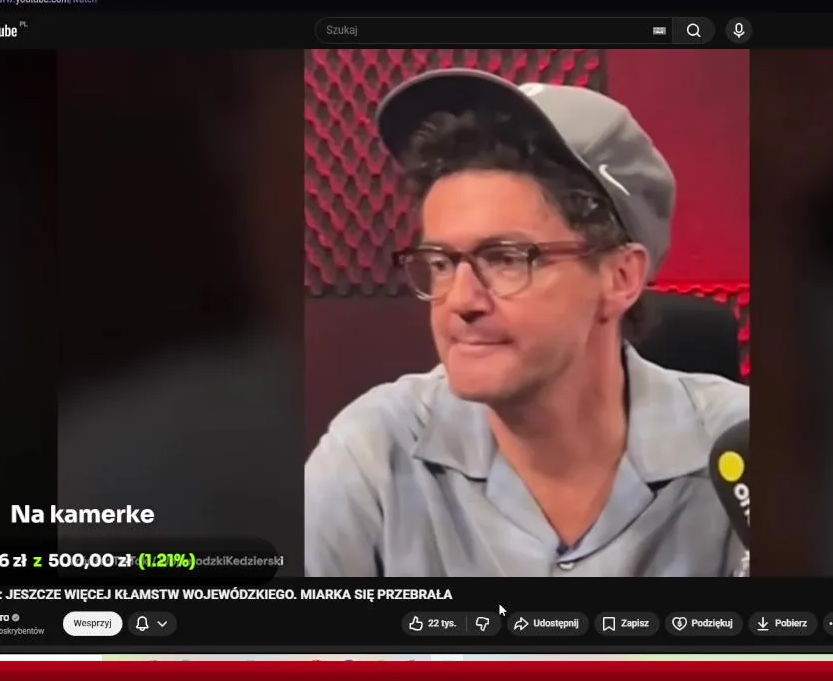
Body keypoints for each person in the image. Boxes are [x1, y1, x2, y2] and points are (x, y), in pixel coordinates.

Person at [301, 68, 750, 576]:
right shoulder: (375, 452)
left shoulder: (750, 450)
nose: (460, 301)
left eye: (506, 258)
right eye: (441, 262)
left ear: (620, 278)